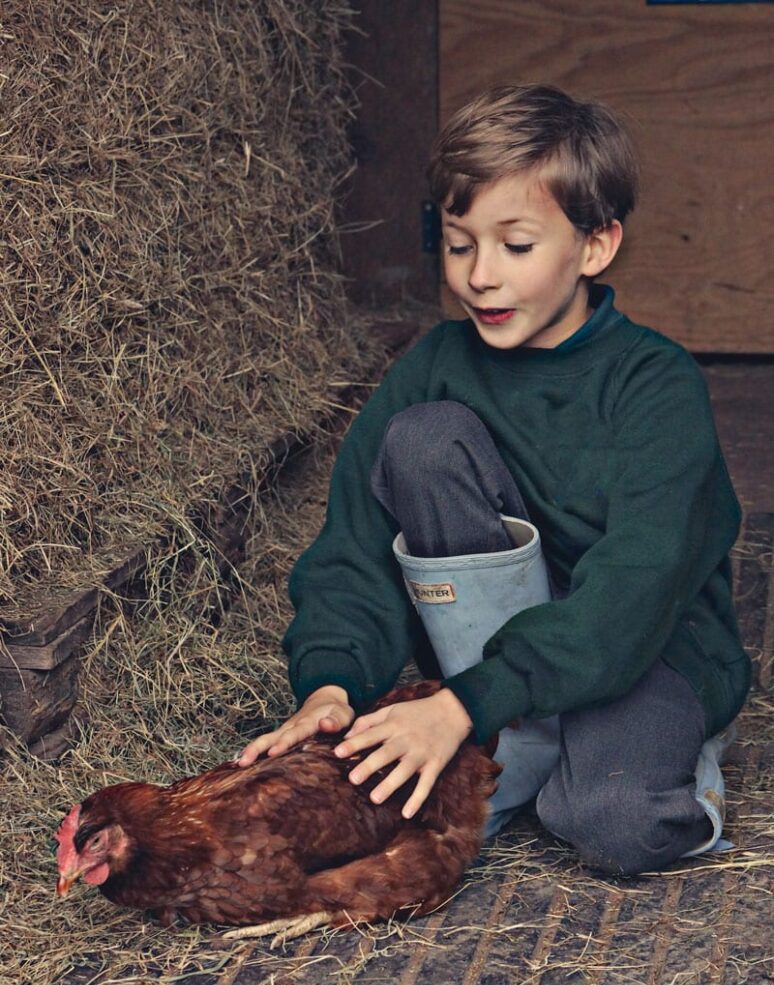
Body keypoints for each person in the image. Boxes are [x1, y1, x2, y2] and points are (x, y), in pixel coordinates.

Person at [239, 84, 750, 876]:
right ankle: (523, 734)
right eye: (458, 242)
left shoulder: (656, 384)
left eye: (515, 246)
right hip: (491, 654)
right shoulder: (435, 367)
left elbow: (637, 589)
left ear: (594, 247)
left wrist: (464, 706)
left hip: (642, 645)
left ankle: (667, 760)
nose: (479, 275)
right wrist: (331, 683)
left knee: (613, 823)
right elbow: (354, 548)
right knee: (421, 441)